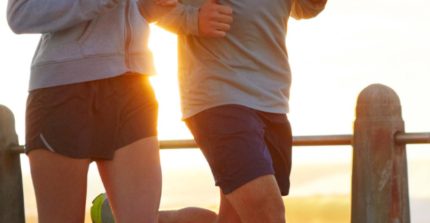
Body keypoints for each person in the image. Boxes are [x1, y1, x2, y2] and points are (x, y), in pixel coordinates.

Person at [4, 0, 214, 221]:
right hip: (63, 89)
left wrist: (156, 6)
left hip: (133, 84)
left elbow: (134, 11)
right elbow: (20, 15)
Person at [129, 0, 326, 222]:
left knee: (237, 219)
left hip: (272, 100)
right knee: (267, 214)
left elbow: (303, 7)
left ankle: (133, 217)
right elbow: (143, 5)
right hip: (219, 95)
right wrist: (192, 19)